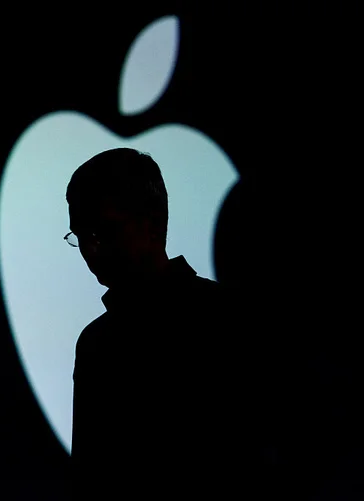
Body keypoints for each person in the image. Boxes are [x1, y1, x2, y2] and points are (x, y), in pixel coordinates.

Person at [66, 148, 245, 499]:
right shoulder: (228, 313)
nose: (90, 249)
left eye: (101, 232)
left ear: (148, 223)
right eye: (81, 236)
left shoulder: (98, 344)